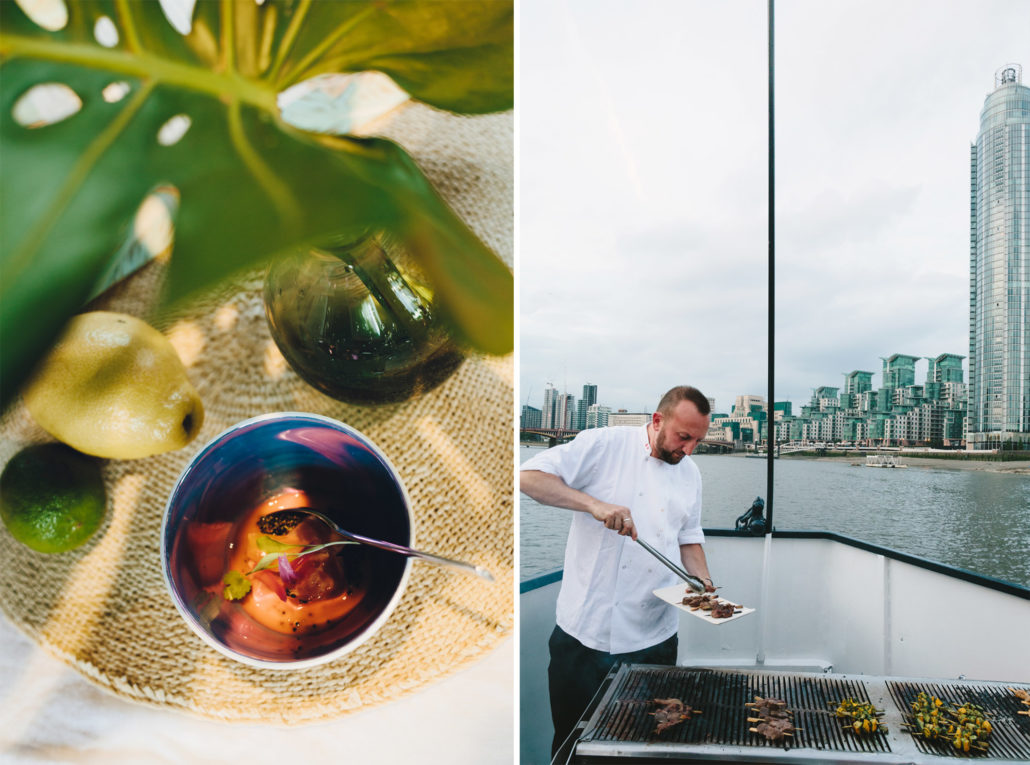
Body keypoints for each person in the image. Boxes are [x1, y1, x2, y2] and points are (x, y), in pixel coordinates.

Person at [520, 385, 717, 757]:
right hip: (585, 639)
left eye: (698, 441)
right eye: (684, 437)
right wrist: (593, 504)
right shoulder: (603, 444)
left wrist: (704, 583)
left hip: (655, 643)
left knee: (645, 748)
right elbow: (529, 477)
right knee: (572, 748)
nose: (689, 450)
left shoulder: (690, 474)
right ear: (658, 420)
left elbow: (689, 538)